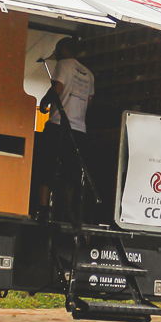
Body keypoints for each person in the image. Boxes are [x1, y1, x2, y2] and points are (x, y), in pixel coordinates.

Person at [37, 37, 95, 219]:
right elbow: (90, 101)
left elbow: (57, 88)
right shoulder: (89, 74)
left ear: (62, 49)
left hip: (58, 125)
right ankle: (66, 210)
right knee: (71, 171)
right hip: (79, 129)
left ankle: (43, 209)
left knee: (47, 166)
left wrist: (45, 102)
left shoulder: (63, 65)